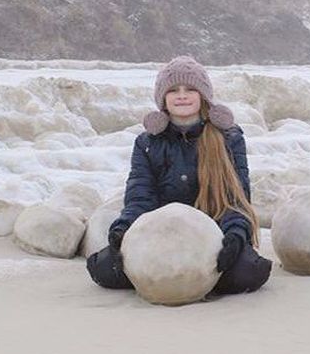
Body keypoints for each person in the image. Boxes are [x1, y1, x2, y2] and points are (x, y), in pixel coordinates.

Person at [87, 55, 272, 296]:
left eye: (190, 89)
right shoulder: (147, 143)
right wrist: (123, 230)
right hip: (162, 233)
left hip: (213, 234)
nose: (181, 95)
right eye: (173, 90)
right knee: (104, 271)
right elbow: (140, 197)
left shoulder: (229, 138)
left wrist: (235, 235)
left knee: (245, 274)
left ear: (203, 96)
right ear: (163, 98)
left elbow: (236, 200)